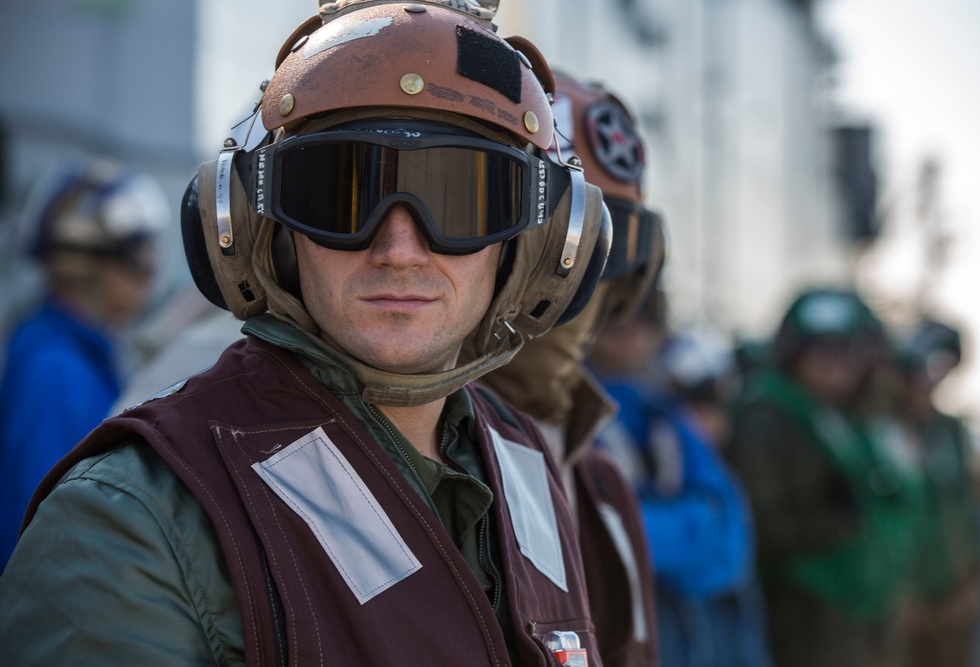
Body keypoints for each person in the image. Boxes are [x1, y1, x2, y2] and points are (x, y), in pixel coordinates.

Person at [0, 2, 614, 665]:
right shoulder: (131, 522)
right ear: (259, 224)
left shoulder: (525, 462)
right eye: (342, 193)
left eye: (460, 198)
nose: (399, 249)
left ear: (538, 240)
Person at [473, 70, 665, 667]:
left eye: (604, 259)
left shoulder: (604, 486)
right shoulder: (411, 470)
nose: (573, 294)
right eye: (551, 250)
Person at [725, 287, 916, 667]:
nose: (837, 362)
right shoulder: (767, 415)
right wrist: (836, 518)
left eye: (848, 350)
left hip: (862, 617)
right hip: (808, 623)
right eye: (822, 349)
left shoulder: (845, 418)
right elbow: (757, 529)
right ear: (794, 351)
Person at [0, 158, 167, 567]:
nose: (153, 273)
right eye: (142, 253)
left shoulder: (74, 355)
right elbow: (53, 534)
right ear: (97, 260)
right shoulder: (57, 372)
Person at [589, 298, 770, 667]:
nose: (632, 327)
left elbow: (728, 533)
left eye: (646, 307)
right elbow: (591, 532)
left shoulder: (658, 409)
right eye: (613, 306)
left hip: (696, 633)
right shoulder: (555, 406)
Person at [895, 318, 980, 667]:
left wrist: (973, 578)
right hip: (902, 609)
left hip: (954, 603)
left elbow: (967, 510)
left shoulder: (952, 432)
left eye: (945, 366)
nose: (933, 377)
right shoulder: (883, 429)